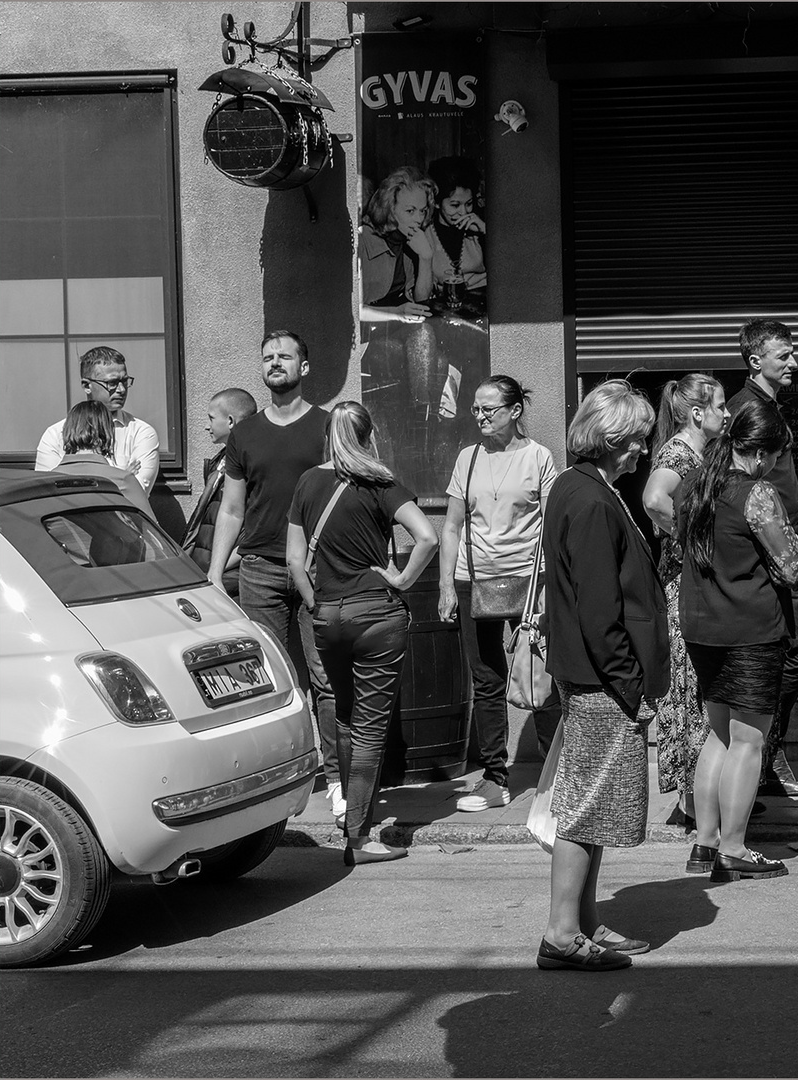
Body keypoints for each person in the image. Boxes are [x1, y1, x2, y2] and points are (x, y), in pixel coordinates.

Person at [539, 379, 669, 970]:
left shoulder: (581, 487)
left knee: (588, 805)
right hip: (601, 680)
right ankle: (562, 933)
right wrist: (630, 686)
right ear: (613, 439)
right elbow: (599, 609)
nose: (644, 450)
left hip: (594, 676)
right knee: (586, 804)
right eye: (639, 440)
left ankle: (584, 923)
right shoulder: (590, 498)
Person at [286, 402, 438, 866]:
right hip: (376, 614)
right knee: (371, 728)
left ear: (329, 435)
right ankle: (358, 837)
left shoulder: (308, 482)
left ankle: (357, 818)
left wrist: (315, 602)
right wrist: (401, 579)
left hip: (327, 614)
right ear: (369, 435)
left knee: (347, 717)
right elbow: (427, 537)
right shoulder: (381, 482)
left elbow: (294, 559)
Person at [206, 331, 341, 819]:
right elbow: (232, 508)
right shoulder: (244, 434)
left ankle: (336, 777)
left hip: (318, 570)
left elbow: (352, 493)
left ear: (305, 367)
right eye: (268, 357)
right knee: (269, 683)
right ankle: (277, 776)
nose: (275, 363)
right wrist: (216, 573)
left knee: (325, 679)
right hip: (260, 570)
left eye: (285, 356)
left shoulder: (329, 426)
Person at [678, 396, 798, 883]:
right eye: (776, 456)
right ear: (761, 452)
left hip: (702, 626)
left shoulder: (694, 484)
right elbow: (793, 565)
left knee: (719, 732)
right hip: (750, 628)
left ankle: (704, 843)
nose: (775, 466)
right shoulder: (756, 493)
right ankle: (733, 846)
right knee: (749, 740)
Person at [437, 375, 560, 812]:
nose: (481, 416)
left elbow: (553, 524)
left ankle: (557, 774)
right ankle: (495, 779)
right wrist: (446, 584)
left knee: (539, 674)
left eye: (489, 408)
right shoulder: (467, 458)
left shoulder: (539, 457)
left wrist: (555, 585)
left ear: (515, 411)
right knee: (486, 680)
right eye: (476, 408)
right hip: (476, 580)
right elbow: (451, 526)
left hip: (530, 581)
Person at [725, 319, 798, 799]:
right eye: (783, 355)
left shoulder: (768, 407)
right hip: (769, 553)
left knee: (795, 651)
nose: (793, 363)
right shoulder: (744, 409)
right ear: (754, 360)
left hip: (783, 545)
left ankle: (760, 751)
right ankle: (760, 746)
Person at [642, 373, 728, 832]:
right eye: (719, 405)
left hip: (694, 584)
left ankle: (702, 799)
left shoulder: (699, 451)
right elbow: (654, 498)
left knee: (697, 688)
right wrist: (687, 537)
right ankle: (695, 803)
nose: (728, 413)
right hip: (681, 586)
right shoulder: (677, 452)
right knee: (689, 685)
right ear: (697, 413)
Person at [36, 346, 161, 493]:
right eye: (112, 383)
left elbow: (137, 494)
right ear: (86, 385)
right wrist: (122, 476)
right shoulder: (56, 434)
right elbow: (48, 492)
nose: (121, 389)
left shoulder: (141, 432)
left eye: (124, 381)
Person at [184, 388, 259, 598]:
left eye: (211, 418)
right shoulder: (219, 461)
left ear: (231, 421)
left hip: (230, 574)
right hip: (207, 569)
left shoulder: (251, 464)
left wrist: (218, 568)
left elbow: (252, 528)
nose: (206, 426)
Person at [49, 401, 156, 519]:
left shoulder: (48, 481)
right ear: (108, 432)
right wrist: (121, 475)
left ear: (67, 431)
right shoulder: (123, 481)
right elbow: (150, 531)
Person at [358, 166, 439, 322]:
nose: (418, 219)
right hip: (366, 336)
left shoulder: (412, 239)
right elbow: (352, 310)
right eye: (410, 211)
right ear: (390, 208)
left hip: (400, 327)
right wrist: (396, 313)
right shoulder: (362, 239)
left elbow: (422, 300)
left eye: (422, 211)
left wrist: (426, 258)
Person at [426, 156, 487, 304]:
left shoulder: (478, 228)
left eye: (469, 204)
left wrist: (485, 231)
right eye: (455, 205)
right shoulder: (425, 234)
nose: (464, 212)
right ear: (437, 203)